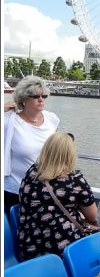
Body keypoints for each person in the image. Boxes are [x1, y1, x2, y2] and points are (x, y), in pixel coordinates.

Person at [18, 131, 97, 260]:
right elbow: (94, 217)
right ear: (70, 155)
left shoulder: (31, 173)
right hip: (61, 250)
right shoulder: (75, 180)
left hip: (28, 246)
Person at [4, 76, 59, 213]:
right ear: (23, 99)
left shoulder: (51, 119)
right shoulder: (9, 122)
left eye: (44, 96)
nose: (41, 99)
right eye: (35, 96)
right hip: (16, 191)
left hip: (45, 190)